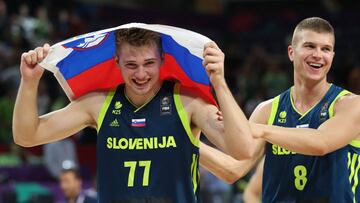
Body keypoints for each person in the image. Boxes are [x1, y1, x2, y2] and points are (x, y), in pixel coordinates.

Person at [13, 28, 254, 202]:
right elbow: (27, 136)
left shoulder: (189, 102)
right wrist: (29, 81)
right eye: (131, 65)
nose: (141, 74)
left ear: (162, 60)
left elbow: (243, 150)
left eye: (149, 63)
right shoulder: (98, 104)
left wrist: (219, 82)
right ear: (116, 62)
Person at [200, 17, 360, 203]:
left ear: (332, 56)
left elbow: (320, 143)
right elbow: (233, 170)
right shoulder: (267, 110)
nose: (318, 54)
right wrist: (189, 144)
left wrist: (260, 129)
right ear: (291, 53)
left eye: (325, 49)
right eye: (309, 46)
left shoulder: (350, 104)